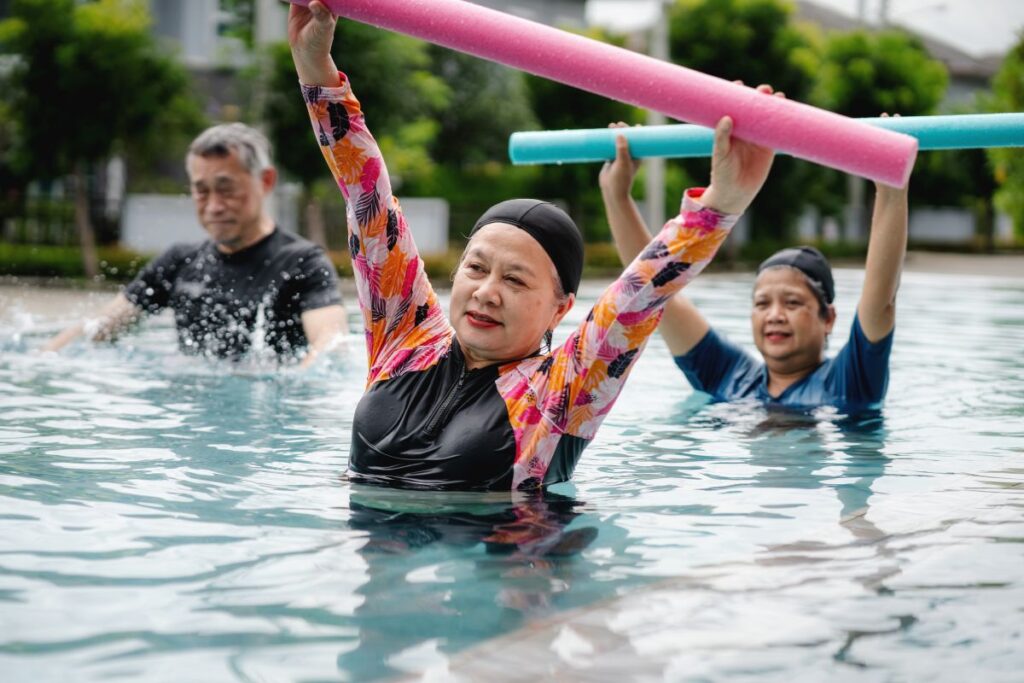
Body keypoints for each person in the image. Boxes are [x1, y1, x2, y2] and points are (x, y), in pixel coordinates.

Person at [288, 1, 777, 491]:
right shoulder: (403, 337)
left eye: (516, 279)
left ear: (559, 310)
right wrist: (315, 68)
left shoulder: (560, 390)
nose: (486, 291)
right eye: (477, 268)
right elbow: (366, 193)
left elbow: (639, 297)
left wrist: (722, 202)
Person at [599, 121, 911, 411]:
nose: (774, 315)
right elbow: (653, 288)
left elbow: (881, 299)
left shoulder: (849, 381)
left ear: (828, 318)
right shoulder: (728, 375)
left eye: (792, 303)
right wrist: (616, 195)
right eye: (762, 303)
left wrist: (890, 187)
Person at [42, 122, 347, 365]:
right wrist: (42, 360)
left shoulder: (303, 263)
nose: (213, 206)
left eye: (227, 189)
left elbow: (329, 348)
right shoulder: (180, 261)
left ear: (266, 181)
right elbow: (100, 328)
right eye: (202, 191)